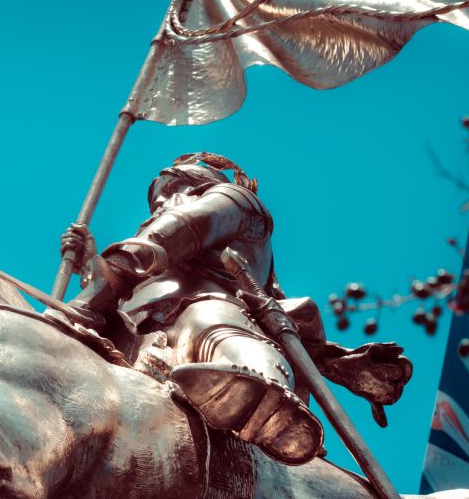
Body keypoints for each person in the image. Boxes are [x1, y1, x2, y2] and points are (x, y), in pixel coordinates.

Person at [63, 153, 325, 465]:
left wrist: (92, 294)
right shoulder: (148, 252)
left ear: (202, 186)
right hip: (134, 333)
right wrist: (89, 268)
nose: (160, 203)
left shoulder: (237, 203)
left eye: (172, 188)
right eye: (155, 198)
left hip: (206, 309)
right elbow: (116, 292)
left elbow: (180, 230)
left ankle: (268, 404)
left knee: (204, 322)